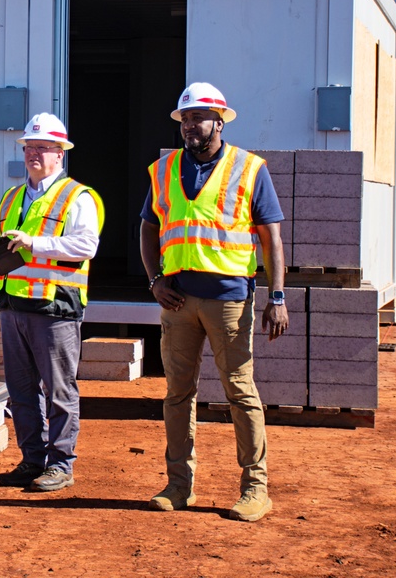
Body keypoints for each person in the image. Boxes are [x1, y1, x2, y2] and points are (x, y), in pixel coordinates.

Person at [139, 82, 289, 523]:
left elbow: (271, 238)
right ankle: (178, 485)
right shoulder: (163, 169)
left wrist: (276, 296)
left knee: (240, 393)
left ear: (218, 123)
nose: (189, 125)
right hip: (178, 299)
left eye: (198, 118)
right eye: (185, 118)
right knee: (177, 394)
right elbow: (147, 228)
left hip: (229, 300)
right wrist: (153, 280)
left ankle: (255, 488)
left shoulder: (249, 168)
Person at [0, 112, 104, 492]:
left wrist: (36, 244)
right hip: (14, 306)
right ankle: (32, 460)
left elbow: (86, 245)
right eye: (30, 147)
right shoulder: (12, 196)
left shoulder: (78, 197)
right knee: (21, 391)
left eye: (43, 147)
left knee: (59, 390)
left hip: (55, 308)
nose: (34, 153)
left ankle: (61, 464)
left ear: (59, 154)